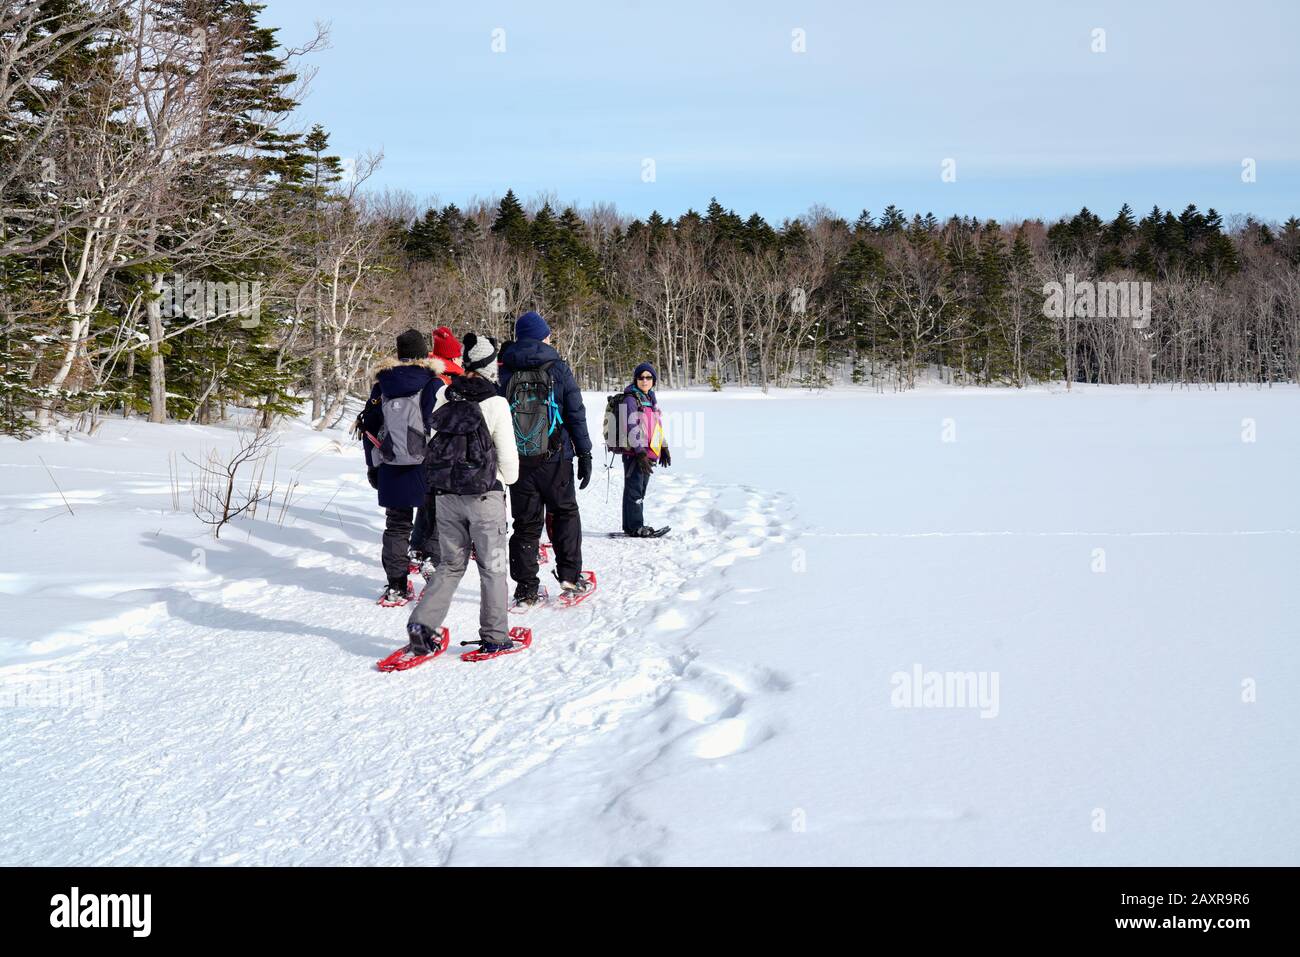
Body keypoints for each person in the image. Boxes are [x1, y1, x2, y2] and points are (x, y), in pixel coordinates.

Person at [406, 333, 520, 656]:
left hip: (445, 496)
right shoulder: (497, 403)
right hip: (485, 498)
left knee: (451, 565)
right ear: (490, 369)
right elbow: (510, 469)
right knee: (493, 567)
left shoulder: (444, 395)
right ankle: (496, 635)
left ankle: (422, 625)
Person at [498, 310, 593, 605]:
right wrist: (585, 451)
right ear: (542, 336)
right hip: (555, 457)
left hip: (519, 460)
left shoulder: (505, 369)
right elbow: (575, 412)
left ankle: (526, 588)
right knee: (564, 513)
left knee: (525, 524)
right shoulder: (558, 367)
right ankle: (569, 576)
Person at [356, 329, 444, 605]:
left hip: (391, 463)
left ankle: (396, 585)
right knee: (435, 515)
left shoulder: (382, 385)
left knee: (396, 525)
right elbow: (442, 426)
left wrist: (373, 465)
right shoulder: (432, 383)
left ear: (399, 353)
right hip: (427, 462)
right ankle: (431, 564)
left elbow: (368, 426)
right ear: (423, 354)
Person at [409, 325, 464, 570]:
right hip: (438, 450)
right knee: (439, 503)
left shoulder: (429, 376)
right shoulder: (441, 382)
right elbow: (435, 418)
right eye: (458, 355)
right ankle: (431, 554)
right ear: (451, 357)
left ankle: (418, 546)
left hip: (424, 447)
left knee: (428, 500)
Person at [619, 362, 672, 536]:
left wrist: (663, 446)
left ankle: (630, 525)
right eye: (641, 377)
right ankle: (636, 527)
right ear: (636, 379)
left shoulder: (650, 399)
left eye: (648, 377)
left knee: (639, 489)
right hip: (636, 453)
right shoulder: (631, 399)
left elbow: (656, 425)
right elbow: (630, 426)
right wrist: (640, 452)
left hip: (648, 453)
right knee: (635, 490)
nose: (644, 380)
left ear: (653, 381)